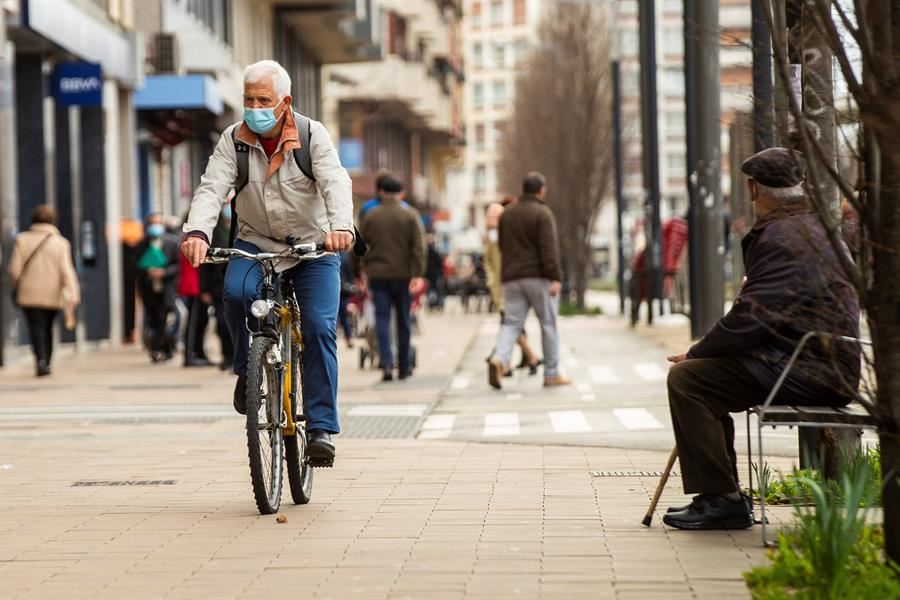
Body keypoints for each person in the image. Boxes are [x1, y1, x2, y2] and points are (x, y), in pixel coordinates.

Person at [663, 148, 861, 530]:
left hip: (811, 367)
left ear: (753, 189)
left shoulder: (784, 237)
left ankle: (723, 500)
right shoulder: (814, 226)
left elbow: (751, 318)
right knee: (705, 377)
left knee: (689, 380)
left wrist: (696, 351)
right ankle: (720, 496)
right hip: (817, 360)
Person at [181, 60, 354, 464]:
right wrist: (197, 233)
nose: (254, 107)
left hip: (314, 247)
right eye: (248, 99)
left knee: (319, 327)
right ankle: (248, 368)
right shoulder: (233, 140)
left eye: (263, 100)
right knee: (236, 294)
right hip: (256, 243)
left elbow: (335, 181)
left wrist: (341, 227)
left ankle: (322, 428)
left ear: (285, 102)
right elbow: (211, 189)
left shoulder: (312, 136)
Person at [486, 172, 569, 389]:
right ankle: (551, 373)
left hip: (511, 278)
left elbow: (503, 246)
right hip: (538, 277)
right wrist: (555, 276)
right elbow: (549, 249)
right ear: (541, 190)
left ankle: (500, 359)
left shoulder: (507, 214)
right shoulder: (542, 213)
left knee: (512, 323)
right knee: (548, 324)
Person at [358, 176, 425, 382]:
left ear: (382, 192)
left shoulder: (370, 216)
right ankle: (403, 366)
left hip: (378, 275)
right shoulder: (410, 215)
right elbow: (418, 247)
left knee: (382, 319)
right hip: (403, 275)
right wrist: (417, 274)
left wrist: (358, 272)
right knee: (404, 320)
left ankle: (386, 364)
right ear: (401, 193)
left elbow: (359, 247)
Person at [8, 204, 80, 376]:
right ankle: (46, 361)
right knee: (47, 328)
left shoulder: (22, 239)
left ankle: (39, 360)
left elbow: (14, 269)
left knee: (35, 327)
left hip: (29, 293)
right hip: (52, 294)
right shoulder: (61, 243)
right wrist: (72, 293)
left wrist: (22, 282)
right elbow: (66, 271)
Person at [483, 202, 540, 376]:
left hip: (508, 287)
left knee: (510, 324)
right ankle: (522, 359)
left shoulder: (500, 235)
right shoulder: (492, 236)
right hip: (502, 286)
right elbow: (488, 262)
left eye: (497, 214)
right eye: (491, 214)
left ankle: (511, 360)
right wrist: (491, 281)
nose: (493, 217)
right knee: (511, 324)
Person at [135, 213, 180, 362]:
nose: (156, 226)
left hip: (166, 289)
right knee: (153, 320)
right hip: (149, 289)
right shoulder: (142, 244)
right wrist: (148, 271)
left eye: (159, 223)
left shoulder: (172, 243)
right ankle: (155, 349)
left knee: (166, 319)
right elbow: (135, 266)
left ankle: (166, 348)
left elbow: (177, 266)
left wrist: (164, 272)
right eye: (153, 223)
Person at [200, 207, 234, 370]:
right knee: (221, 322)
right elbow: (204, 265)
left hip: (235, 280)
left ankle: (237, 356)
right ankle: (227, 356)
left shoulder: (242, 229)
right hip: (217, 285)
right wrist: (204, 289)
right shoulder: (214, 233)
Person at [337, 251, 357, 349]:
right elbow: (350, 274)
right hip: (343, 290)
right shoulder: (346, 256)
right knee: (344, 316)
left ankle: (346, 336)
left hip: (339, 289)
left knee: (337, 315)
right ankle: (348, 337)